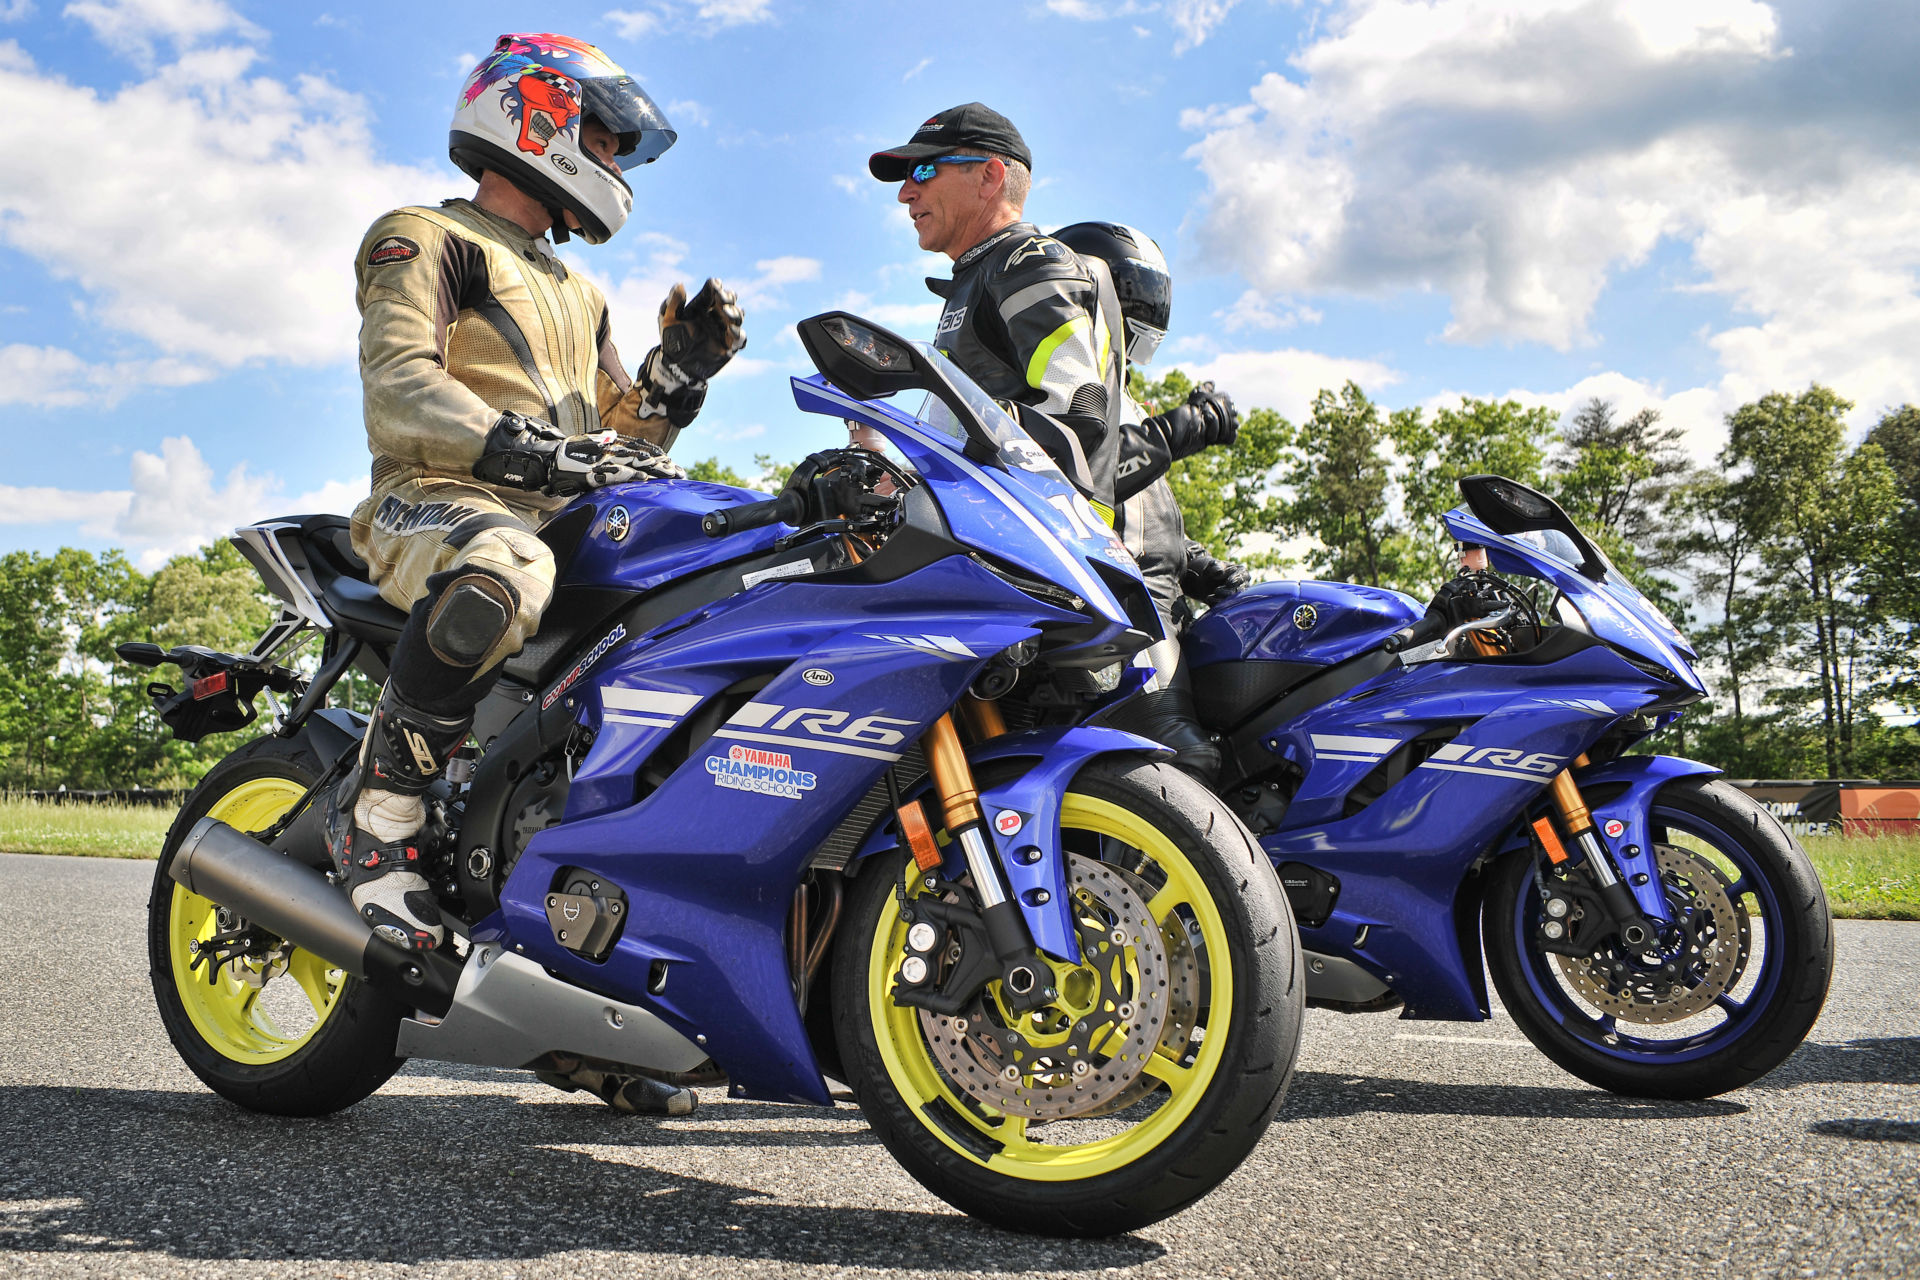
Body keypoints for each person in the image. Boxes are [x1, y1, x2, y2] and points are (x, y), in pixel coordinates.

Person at [330, 33, 744, 983]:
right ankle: (380, 809)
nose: (612, 166)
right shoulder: (425, 235)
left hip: (555, 518)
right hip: (434, 500)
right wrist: (529, 448)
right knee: (507, 567)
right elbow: (399, 389)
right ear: (537, 117)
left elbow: (618, 442)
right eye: (604, 142)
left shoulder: (580, 288)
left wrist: (676, 379)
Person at [1052, 223, 1249, 783]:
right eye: (1132, 290)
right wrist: (1183, 428)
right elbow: (1084, 484)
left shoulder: (1122, 398)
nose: (1146, 308)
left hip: (1162, 607)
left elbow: (1146, 519)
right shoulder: (1071, 398)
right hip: (1122, 612)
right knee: (1183, 760)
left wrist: (1211, 572)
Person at [867, 103, 1128, 518]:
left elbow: (1075, 414)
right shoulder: (979, 275)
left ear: (989, 176)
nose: (905, 193)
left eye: (924, 171)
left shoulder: (1028, 259)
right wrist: (905, 476)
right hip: (999, 535)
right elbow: (963, 425)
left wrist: (928, 476)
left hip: (1049, 548)